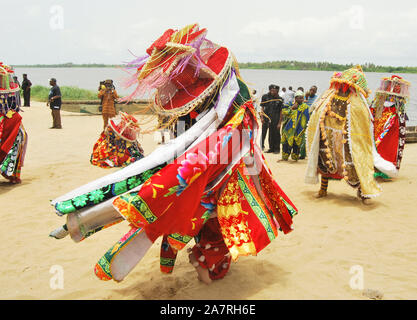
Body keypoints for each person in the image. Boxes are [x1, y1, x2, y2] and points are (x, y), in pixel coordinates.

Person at [49, 24, 298, 285]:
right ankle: (202, 262)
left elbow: (226, 140)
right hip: (213, 169)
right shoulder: (223, 113)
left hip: (217, 166)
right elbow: (205, 140)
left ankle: (80, 221)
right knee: (155, 195)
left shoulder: (229, 112)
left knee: (158, 198)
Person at [305, 66, 397, 204]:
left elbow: (363, 121)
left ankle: (364, 193)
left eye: (345, 84)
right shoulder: (329, 95)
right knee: (325, 161)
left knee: (356, 165)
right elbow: (316, 110)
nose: (343, 86)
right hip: (328, 135)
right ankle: (323, 189)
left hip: (348, 140)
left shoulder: (357, 102)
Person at [370, 75, 410, 180]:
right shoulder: (380, 104)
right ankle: (378, 169)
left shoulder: (398, 108)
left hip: (392, 127)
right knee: (379, 148)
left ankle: (386, 171)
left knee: (389, 148)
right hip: (381, 124)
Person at [0, 63, 28, 183]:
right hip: (8, 120)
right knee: (20, 136)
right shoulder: (13, 116)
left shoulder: (13, 116)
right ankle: (11, 173)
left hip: (9, 119)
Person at [280, 90, 310, 161]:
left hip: (299, 129)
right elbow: (284, 112)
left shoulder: (305, 107)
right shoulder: (290, 104)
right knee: (286, 143)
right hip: (288, 129)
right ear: (295, 98)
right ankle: (285, 157)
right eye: (298, 98)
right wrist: (292, 108)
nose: (300, 99)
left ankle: (295, 157)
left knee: (296, 144)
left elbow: (307, 117)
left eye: (301, 98)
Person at [260, 84, 283, 153]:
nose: (272, 92)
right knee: (270, 134)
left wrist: (279, 123)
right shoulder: (265, 97)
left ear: (277, 91)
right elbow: (262, 108)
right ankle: (271, 148)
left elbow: (281, 112)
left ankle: (277, 149)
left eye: (274, 91)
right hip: (267, 117)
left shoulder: (280, 99)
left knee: (276, 133)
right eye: (271, 90)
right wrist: (262, 117)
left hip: (276, 118)